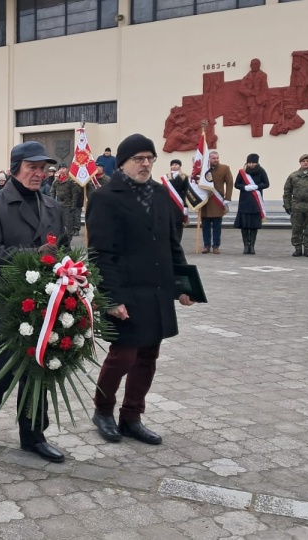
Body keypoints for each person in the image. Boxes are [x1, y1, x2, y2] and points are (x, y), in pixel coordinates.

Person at [86, 134, 194, 446]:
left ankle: (132, 416)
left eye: (150, 158)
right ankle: (103, 410)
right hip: (126, 292)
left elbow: (172, 245)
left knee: (148, 357)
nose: (146, 163)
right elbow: (100, 253)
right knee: (122, 357)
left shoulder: (161, 195)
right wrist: (111, 298)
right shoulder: (105, 197)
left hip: (157, 292)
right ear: (123, 163)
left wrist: (183, 286)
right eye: (139, 158)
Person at [0, 141, 67, 463]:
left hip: (44, 304)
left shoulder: (53, 207)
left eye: (43, 169)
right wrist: (33, 257)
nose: (39, 174)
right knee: (5, 367)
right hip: (3, 304)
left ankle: (33, 435)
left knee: (37, 368)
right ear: (15, 169)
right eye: (32, 168)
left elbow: (63, 251)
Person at [233, 153, 270, 255]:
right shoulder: (242, 172)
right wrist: (245, 187)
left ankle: (252, 246)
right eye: (249, 162)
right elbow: (236, 184)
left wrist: (257, 187)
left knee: (253, 226)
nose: (251, 164)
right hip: (244, 202)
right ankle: (246, 246)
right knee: (244, 226)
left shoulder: (261, 171)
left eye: (253, 162)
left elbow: (267, 184)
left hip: (255, 202)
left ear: (257, 163)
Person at [199, 151, 234, 254]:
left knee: (217, 226)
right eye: (213, 158)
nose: (216, 160)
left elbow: (230, 183)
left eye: (217, 158)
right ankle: (206, 246)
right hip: (205, 201)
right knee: (205, 226)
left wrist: (227, 198)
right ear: (209, 159)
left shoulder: (225, 168)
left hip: (217, 201)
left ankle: (216, 246)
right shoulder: (203, 169)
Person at [51, 163, 80, 240]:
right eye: (60, 168)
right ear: (58, 170)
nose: (62, 170)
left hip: (68, 206)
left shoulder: (70, 181)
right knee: (58, 224)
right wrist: (52, 203)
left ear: (67, 170)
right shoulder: (56, 181)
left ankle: (68, 243)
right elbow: (52, 192)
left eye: (64, 168)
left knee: (68, 226)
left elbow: (74, 194)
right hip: (58, 205)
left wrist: (73, 206)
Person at [167, 159, 190, 241]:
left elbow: (187, 191)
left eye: (176, 164)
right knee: (170, 223)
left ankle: (177, 241)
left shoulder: (184, 177)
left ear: (180, 166)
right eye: (172, 164)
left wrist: (186, 206)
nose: (174, 166)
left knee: (178, 223)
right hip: (169, 203)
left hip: (180, 203)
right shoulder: (166, 177)